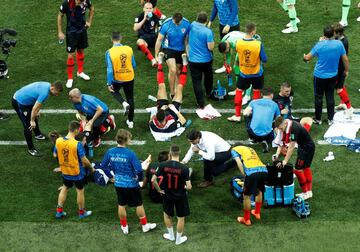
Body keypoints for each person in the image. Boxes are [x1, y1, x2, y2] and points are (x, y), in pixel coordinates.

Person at [101, 129, 156, 235]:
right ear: (126, 140)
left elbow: (103, 166)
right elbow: (139, 170)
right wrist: (139, 180)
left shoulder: (110, 152)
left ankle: (124, 227)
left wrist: (112, 176)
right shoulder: (130, 154)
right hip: (132, 184)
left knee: (121, 205)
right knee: (138, 204)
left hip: (119, 183)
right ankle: (144, 226)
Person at [304, 25, 349, 125]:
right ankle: (330, 119)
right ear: (333, 34)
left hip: (319, 76)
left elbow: (307, 58)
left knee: (318, 97)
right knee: (330, 96)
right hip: (333, 76)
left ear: (324, 34)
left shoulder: (319, 45)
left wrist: (304, 57)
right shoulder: (339, 44)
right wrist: (346, 70)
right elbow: (345, 59)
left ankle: (318, 119)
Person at [152, 145, 192, 245]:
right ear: (179, 153)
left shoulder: (163, 165)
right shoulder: (184, 168)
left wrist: (159, 190)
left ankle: (171, 236)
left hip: (167, 194)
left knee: (167, 215)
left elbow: (153, 179)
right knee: (181, 218)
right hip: (180, 196)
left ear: (170, 154)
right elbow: (189, 187)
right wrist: (185, 187)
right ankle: (178, 240)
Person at [228, 23, 268, 122]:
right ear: (253, 32)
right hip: (257, 73)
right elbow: (265, 59)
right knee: (256, 92)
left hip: (244, 73)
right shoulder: (258, 44)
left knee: (239, 91)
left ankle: (237, 115)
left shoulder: (238, 43)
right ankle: (255, 115)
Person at [12, 81, 63, 157]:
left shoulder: (47, 85)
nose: (57, 95)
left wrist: (36, 112)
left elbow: (36, 102)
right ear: (52, 88)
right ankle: (31, 149)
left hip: (26, 101)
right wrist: (32, 120)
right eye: (57, 92)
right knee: (28, 126)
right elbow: (35, 108)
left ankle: (38, 134)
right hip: (19, 102)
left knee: (34, 115)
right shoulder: (45, 93)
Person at [55, 121, 93, 219]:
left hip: (65, 170)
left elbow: (55, 154)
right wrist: (91, 168)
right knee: (80, 191)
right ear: (76, 130)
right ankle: (81, 212)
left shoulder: (58, 140)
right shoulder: (77, 144)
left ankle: (59, 211)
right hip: (77, 172)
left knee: (65, 188)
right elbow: (84, 160)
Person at [274, 116, 315, 200]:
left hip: (307, 148)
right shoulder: (285, 125)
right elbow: (280, 143)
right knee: (306, 167)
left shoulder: (293, 128)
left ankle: (305, 193)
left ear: (285, 123)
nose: (281, 130)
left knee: (297, 170)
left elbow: (291, 147)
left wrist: (285, 161)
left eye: (281, 128)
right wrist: (276, 154)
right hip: (303, 146)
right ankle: (309, 192)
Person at [57, 0, 95, 88]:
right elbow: (60, 15)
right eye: (78, 1)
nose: (79, 3)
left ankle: (80, 72)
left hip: (82, 30)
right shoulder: (66, 3)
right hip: (71, 32)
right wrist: (60, 32)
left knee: (81, 51)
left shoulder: (86, 1)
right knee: (70, 55)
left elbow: (92, 8)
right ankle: (70, 78)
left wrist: (89, 21)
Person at [150, 52, 189, 133]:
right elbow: (183, 121)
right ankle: (185, 64)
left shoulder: (154, 124)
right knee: (179, 87)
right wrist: (174, 110)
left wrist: (161, 109)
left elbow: (151, 120)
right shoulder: (171, 126)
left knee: (161, 86)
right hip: (174, 110)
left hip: (162, 107)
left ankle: (160, 63)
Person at [155, 13, 190, 98]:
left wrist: (187, 53)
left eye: (179, 23)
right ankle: (172, 93)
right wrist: (156, 55)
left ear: (181, 20)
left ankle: (177, 91)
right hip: (168, 48)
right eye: (175, 23)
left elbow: (186, 40)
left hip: (180, 50)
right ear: (173, 19)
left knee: (178, 72)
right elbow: (159, 40)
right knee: (173, 70)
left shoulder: (187, 24)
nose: (177, 24)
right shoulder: (166, 24)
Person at [231, 146, 268, 226]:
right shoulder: (251, 149)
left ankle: (246, 219)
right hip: (264, 171)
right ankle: (257, 213)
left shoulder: (234, 150)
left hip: (252, 173)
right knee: (259, 191)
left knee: (246, 196)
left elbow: (239, 163)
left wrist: (244, 175)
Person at [105, 32, 136, 129]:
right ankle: (130, 121)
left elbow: (110, 70)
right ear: (120, 38)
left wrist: (109, 83)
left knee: (113, 91)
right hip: (129, 77)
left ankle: (123, 103)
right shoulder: (129, 49)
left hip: (117, 79)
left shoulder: (109, 52)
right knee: (130, 98)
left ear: (111, 39)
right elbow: (134, 65)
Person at [217, 30, 254, 103]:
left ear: (228, 46)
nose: (226, 52)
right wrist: (228, 65)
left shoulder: (236, 43)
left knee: (246, 72)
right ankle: (240, 88)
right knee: (236, 68)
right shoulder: (223, 41)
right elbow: (228, 54)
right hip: (243, 42)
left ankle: (247, 95)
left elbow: (240, 55)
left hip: (250, 47)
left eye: (226, 50)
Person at [188, 12, 215, 109]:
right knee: (208, 76)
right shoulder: (208, 32)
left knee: (196, 81)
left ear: (197, 18)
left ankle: (200, 103)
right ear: (206, 20)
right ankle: (208, 92)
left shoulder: (191, 25)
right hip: (206, 60)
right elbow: (210, 47)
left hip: (193, 60)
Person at [243, 87, 280, 153]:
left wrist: (252, 113)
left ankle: (252, 139)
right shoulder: (275, 105)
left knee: (247, 116)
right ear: (272, 95)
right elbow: (279, 119)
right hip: (268, 135)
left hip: (253, 133)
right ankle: (266, 140)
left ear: (262, 95)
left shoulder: (254, 102)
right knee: (276, 121)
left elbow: (245, 113)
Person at [333, 23, 354, 117]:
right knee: (340, 85)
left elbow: (342, 57)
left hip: (339, 68)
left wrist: (346, 70)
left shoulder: (342, 43)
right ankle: (343, 103)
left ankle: (349, 108)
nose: (333, 34)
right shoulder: (341, 38)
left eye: (334, 32)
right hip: (339, 67)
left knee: (339, 89)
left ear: (338, 33)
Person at [134, 2, 160, 67]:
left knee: (163, 39)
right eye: (147, 8)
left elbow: (160, 29)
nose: (148, 10)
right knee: (139, 42)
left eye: (150, 8)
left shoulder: (155, 17)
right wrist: (144, 19)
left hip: (153, 38)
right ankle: (153, 60)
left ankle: (157, 56)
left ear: (152, 9)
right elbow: (135, 28)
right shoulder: (139, 16)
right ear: (143, 9)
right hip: (144, 38)